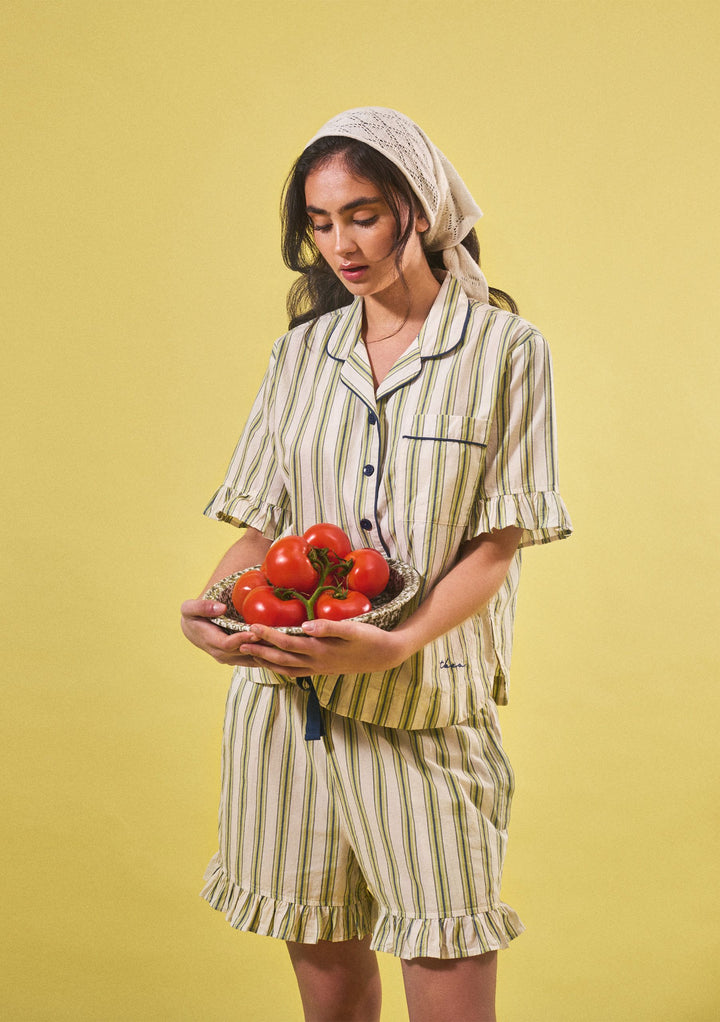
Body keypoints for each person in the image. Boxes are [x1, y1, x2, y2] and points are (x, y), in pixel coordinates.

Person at [181, 107, 572, 1022]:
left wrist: (401, 644)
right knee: (331, 994)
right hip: (289, 713)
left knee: (449, 972)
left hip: (423, 706)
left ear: (418, 209)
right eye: (320, 224)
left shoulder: (504, 352)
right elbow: (263, 528)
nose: (339, 246)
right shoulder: (299, 356)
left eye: (360, 214)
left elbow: (498, 541)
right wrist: (208, 604)